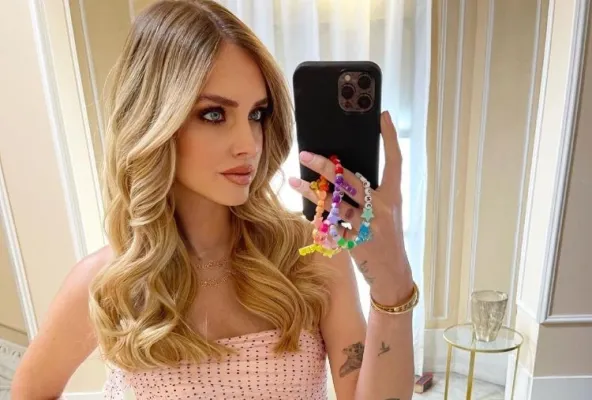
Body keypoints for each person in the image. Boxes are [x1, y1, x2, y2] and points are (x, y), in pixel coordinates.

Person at [11, 1, 417, 399]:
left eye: (256, 115)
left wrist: (393, 284)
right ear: (155, 120)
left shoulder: (310, 257)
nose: (249, 145)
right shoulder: (108, 282)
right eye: (214, 115)